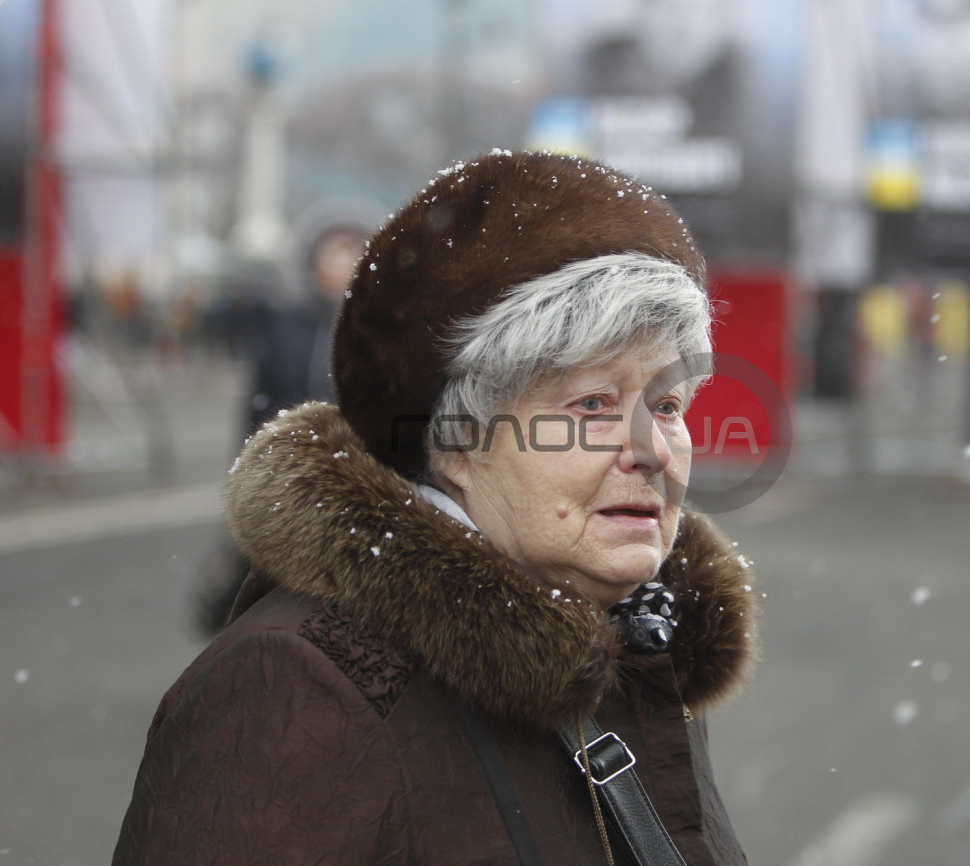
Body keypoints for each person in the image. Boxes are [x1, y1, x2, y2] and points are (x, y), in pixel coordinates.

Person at [113, 151, 758, 864]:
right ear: (452, 439)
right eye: (593, 405)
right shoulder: (301, 689)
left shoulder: (641, 645)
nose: (653, 451)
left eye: (667, 405)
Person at [190, 220, 369, 634]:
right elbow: (259, 403)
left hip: (361, 484)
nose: (342, 265)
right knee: (274, 594)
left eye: (353, 254)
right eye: (334, 254)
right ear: (312, 262)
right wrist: (248, 470)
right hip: (290, 479)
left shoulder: (381, 332)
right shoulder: (286, 324)